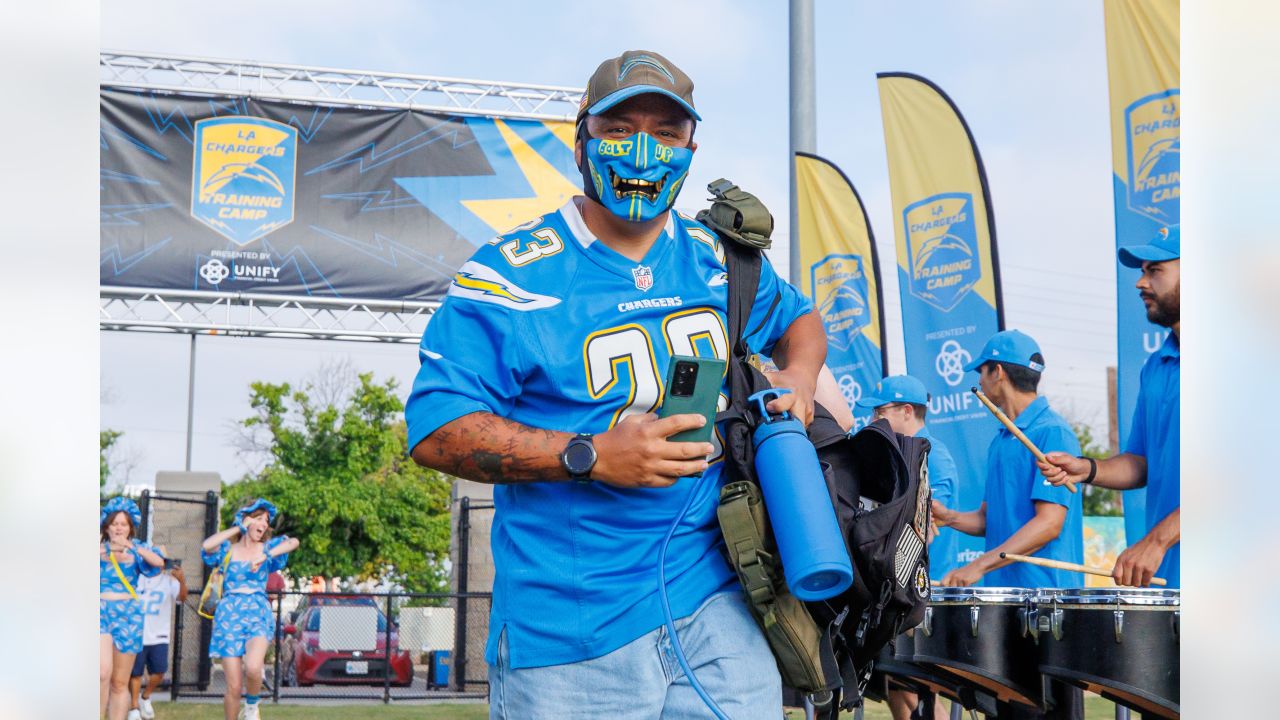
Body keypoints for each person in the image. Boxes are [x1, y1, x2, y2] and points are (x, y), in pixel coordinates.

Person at [406, 50, 826, 719]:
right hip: (571, 635)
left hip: (718, 605)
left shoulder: (718, 258)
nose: (643, 151)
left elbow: (800, 319)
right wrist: (593, 456)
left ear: (692, 148)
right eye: (620, 128)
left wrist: (801, 378)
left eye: (666, 133)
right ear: (581, 143)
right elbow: (436, 431)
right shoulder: (509, 275)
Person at [1039, 226, 1180, 587]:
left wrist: (1157, 540)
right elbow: (1140, 462)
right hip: (1172, 579)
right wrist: (1085, 468)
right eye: (1142, 271)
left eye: (1155, 270)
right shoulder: (1156, 366)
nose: (1140, 283)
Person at [931, 330, 1084, 588]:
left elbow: (1049, 523)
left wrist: (978, 565)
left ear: (998, 372)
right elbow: (988, 519)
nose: (979, 381)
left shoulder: (1052, 432)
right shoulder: (1001, 440)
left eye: (981, 371)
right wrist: (949, 517)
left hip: (1046, 596)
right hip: (1002, 594)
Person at [854, 375, 957, 720]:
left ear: (907, 411)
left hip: (921, 594)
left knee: (920, 691)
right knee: (896, 687)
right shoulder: (895, 455)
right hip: (895, 592)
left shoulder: (934, 455)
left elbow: (929, 526)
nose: (872, 422)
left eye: (879, 412)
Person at [201, 499, 299, 720]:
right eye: (258, 519)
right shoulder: (227, 549)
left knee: (254, 667)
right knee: (233, 687)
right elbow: (207, 545)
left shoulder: (268, 549)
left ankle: (252, 706)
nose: (263, 524)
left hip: (257, 612)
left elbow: (293, 542)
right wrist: (237, 527)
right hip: (229, 616)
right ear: (246, 519)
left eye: (266, 521)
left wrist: (265, 556)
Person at [100, 497, 166, 720]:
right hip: (100, 612)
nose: (119, 527)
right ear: (106, 526)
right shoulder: (98, 549)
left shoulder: (137, 550)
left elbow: (159, 563)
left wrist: (131, 547)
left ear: (130, 528)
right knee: (102, 672)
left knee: (119, 682)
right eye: (114, 523)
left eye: (124, 524)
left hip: (128, 616)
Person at [126, 547, 188, 720]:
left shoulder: (169, 580)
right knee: (135, 673)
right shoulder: (136, 578)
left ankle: (145, 697)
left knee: (159, 672)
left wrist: (182, 581)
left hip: (159, 634)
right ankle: (134, 708)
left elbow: (182, 598)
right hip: (136, 632)